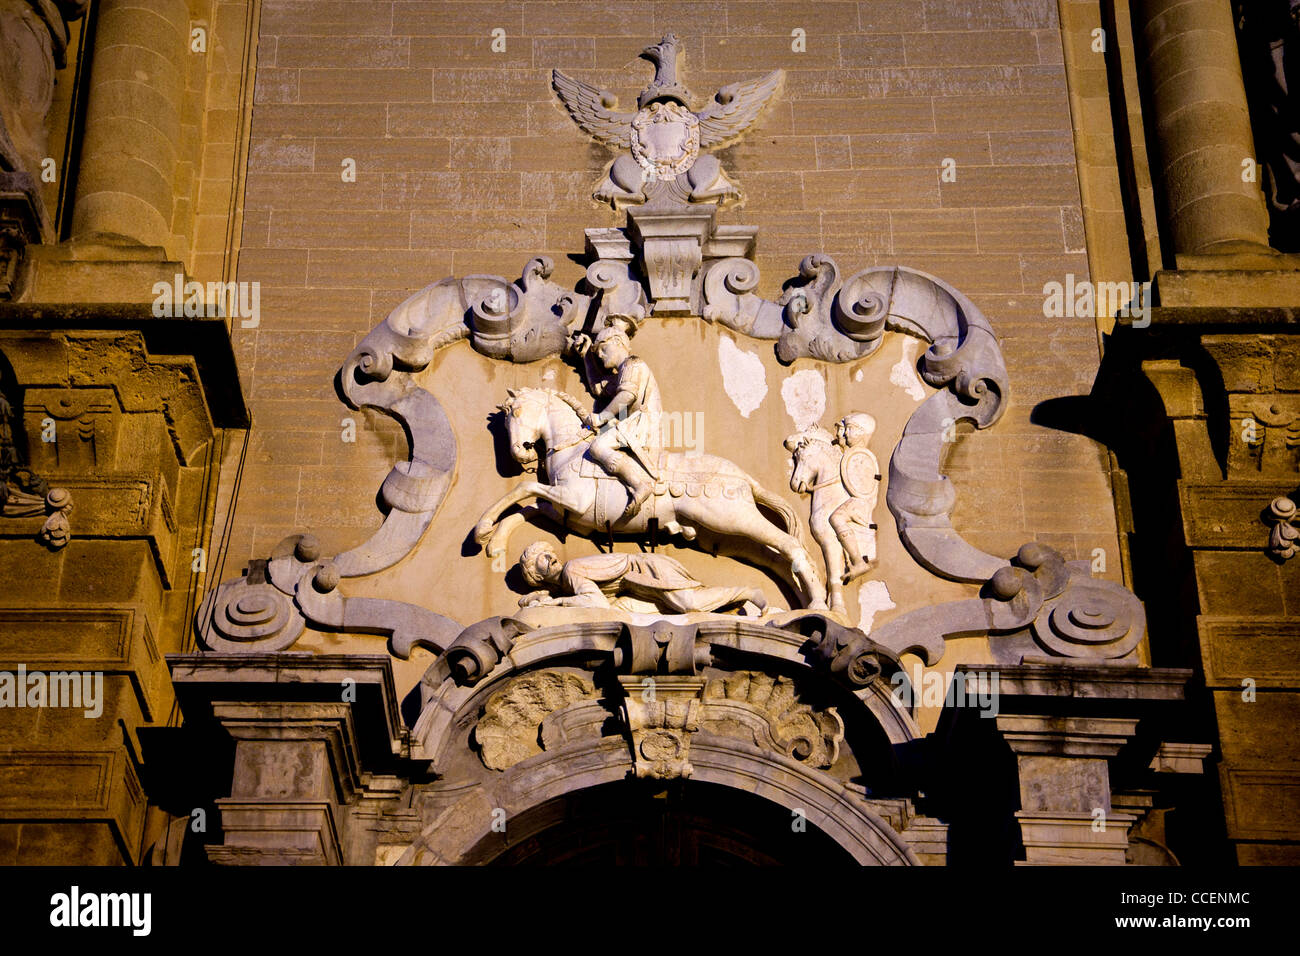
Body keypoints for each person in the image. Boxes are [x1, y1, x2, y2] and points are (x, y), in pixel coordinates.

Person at [517, 541, 766, 615]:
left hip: (645, 571)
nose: (550, 557)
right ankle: (728, 608)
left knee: (689, 603)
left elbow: (597, 604)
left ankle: (748, 593)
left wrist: (556, 603)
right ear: (538, 577)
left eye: (549, 553)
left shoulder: (571, 570)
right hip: (637, 586)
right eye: (542, 559)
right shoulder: (567, 584)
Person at [574, 325, 663, 520]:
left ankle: (640, 485)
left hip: (641, 424)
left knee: (598, 447)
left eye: (603, 350)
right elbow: (598, 388)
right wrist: (587, 356)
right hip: (630, 424)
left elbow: (627, 396)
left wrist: (601, 417)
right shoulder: (621, 372)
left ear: (617, 342)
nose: (601, 356)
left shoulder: (633, 364)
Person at [829, 412, 880, 579]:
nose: (845, 433)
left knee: (836, 518)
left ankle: (858, 562)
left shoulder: (862, 457)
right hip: (858, 499)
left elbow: (862, 487)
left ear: (861, 432)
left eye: (850, 429)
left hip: (861, 502)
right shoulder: (853, 452)